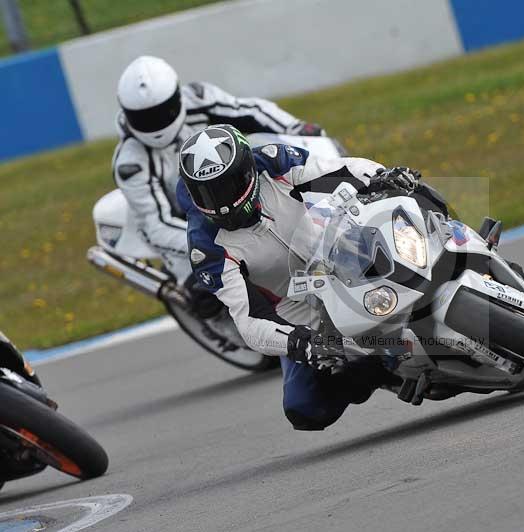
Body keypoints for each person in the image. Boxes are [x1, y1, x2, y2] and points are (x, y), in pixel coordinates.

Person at [176, 124, 425, 430]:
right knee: (304, 408)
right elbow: (248, 321)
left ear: (247, 168)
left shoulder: (273, 162)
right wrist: (298, 342)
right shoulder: (205, 247)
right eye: (208, 192)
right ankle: (381, 370)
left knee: (408, 204)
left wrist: (380, 175)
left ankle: (466, 249)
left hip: (341, 251)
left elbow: (340, 169)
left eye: (228, 185)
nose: (222, 200)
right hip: (301, 312)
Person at [112, 55, 324, 286]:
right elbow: (157, 227)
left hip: (240, 197)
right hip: (187, 229)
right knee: (208, 291)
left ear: (176, 97)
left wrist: (295, 128)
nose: (155, 123)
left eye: (162, 112)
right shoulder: (130, 164)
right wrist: (210, 244)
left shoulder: (199, 99)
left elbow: (252, 110)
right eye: (145, 118)